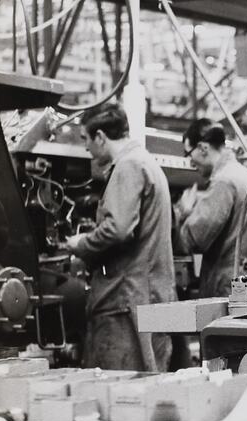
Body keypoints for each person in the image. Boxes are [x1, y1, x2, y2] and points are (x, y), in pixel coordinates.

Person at [65, 102, 176, 371]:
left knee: (122, 392)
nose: (87, 148)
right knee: (148, 382)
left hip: (126, 299)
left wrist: (82, 245)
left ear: (100, 137)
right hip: (148, 294)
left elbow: (118, 229)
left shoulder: (128, 166)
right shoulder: (146, 162)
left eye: (87, 139)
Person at [174, 118, 247, 298]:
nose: (190, 163)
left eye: (188, 154)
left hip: (226, 285)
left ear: (203, 148)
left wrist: (182, 213)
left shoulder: (224, 182)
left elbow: (193, 239)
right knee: (244, 321)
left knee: (224, 324)